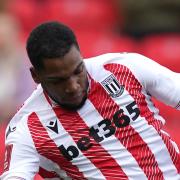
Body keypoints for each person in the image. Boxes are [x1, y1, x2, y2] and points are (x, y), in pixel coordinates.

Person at [0, 21, 180, 180]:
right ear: (35, 76)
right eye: (58, 80)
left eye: (78, 71)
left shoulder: (124, 68)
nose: (73, 86)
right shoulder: (27, 127)